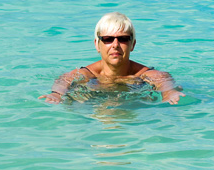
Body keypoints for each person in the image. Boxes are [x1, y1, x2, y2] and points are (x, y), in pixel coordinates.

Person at [41, 12, 185, 105]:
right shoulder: (88, 74)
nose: (115, 45)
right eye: (108, 39)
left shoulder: (143, 74)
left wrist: (169, 92)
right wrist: (57, 94)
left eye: (122, 39)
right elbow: (64, 80)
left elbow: (163, 79)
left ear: (132, 44)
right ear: (97, 45)